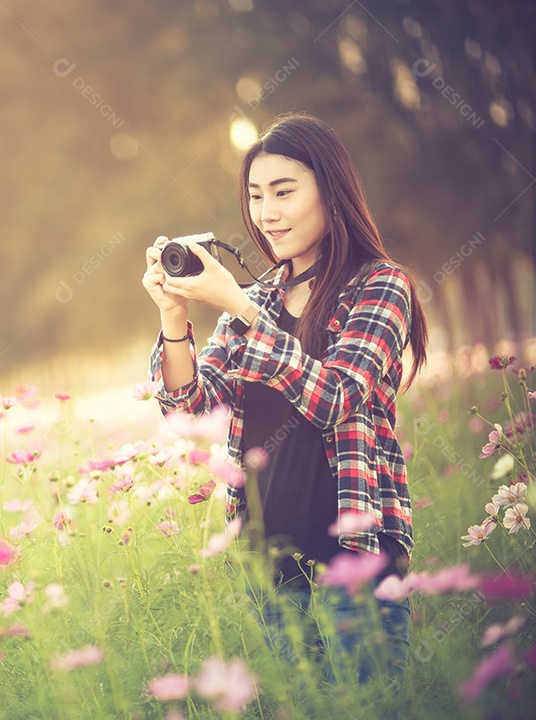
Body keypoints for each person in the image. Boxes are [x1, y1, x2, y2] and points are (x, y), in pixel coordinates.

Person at [141, 113, 429, 684]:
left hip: (358, 558)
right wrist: (174, 318)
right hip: (270, 571)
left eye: (283, 191)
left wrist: (242, 308)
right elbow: (190, 412)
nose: (266, 213)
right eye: (255, 196)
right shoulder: (258, 299)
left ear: (331, 191)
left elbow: (337, 397)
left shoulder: (379, 285)